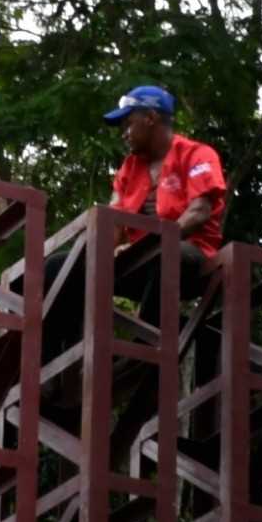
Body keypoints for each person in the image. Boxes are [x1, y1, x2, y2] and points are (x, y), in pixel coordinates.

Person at [41, 85, 227, 362]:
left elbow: (199, 211)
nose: (124, 134)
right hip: (137, 258)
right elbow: (114, 222)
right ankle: (55, 356)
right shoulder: (129, 169)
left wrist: (152, 245)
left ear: (150, 118)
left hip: (188, 252)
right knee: (57, 267)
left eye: (128, 124)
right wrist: (104, 253)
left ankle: (145, 350)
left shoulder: (197, 154)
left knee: (166, 255)